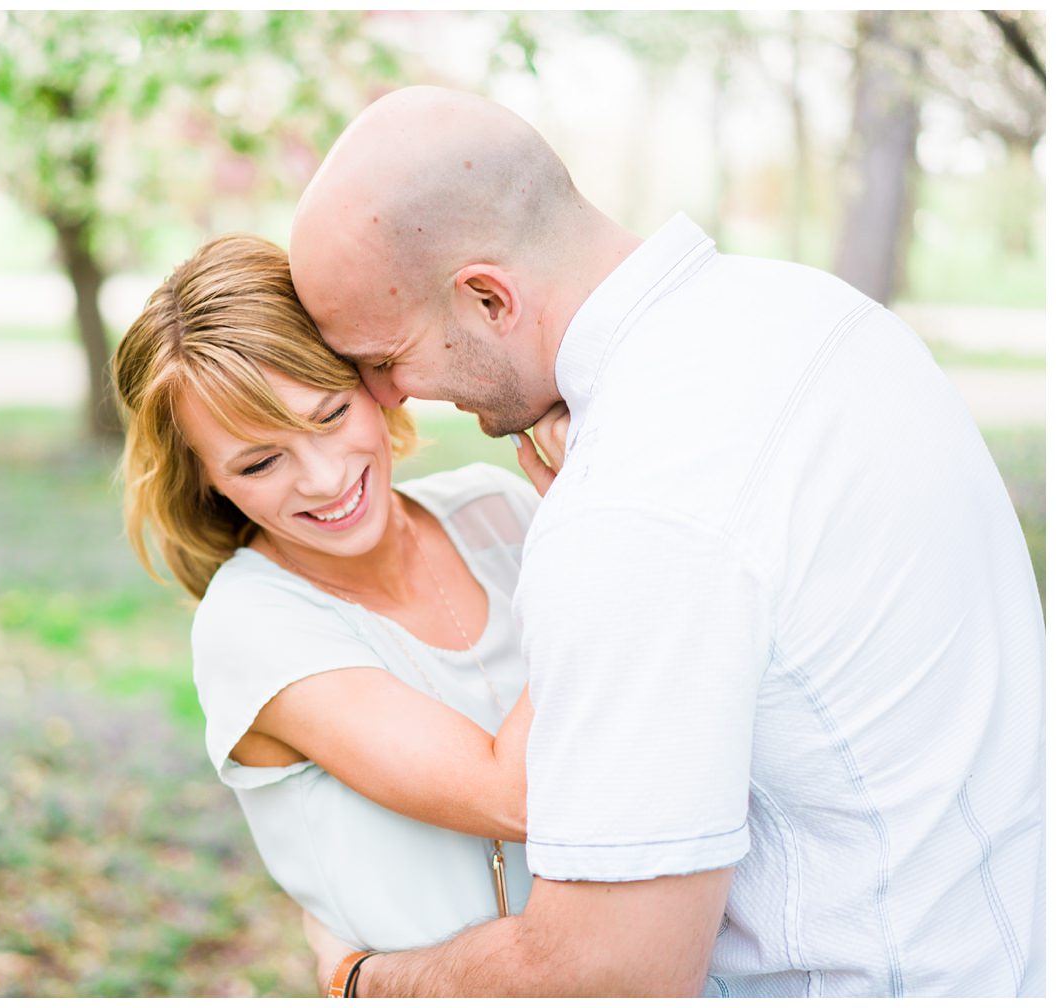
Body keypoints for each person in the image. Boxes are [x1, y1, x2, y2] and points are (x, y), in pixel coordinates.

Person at [287, 85, 1045, 997]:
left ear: (487, 298)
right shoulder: (822, 316)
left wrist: (366, 982)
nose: (389, 398)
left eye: (382, 358)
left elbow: (609, 974)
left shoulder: (633, 508)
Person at [112, 232, 572, 959]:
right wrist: (590, 540)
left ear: (373, 381)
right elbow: (518, 795)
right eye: (261, 461)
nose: (324, 479)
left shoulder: (496, 508)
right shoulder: (253, 624)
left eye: (329, 415)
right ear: (204, 477)